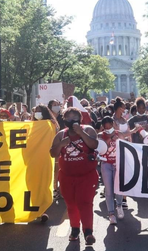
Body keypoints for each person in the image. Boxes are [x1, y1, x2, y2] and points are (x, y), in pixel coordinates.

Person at [49, 107, 99, 245]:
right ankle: (75, 229)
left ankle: (88, 232)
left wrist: (81, 133)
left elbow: (94, 145)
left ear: (80, 119)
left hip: (87, 176)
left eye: (74, 118)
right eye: (68, 118)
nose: (72, 121)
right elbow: (53, 154)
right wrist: (61, 144)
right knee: (71, 204)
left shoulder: (88, 130)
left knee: (85, 203)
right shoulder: (61, 134)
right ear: (64, 120)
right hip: (66, 177)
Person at [33, 104, 59, 223]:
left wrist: (51, 124)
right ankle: (35, 208)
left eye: (39, 111)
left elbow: (55, 137)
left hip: (45, 158)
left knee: (44, 183)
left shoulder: (50, 124)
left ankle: (43, 209)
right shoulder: (31, 125)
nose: (37, 113)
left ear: (44, 112)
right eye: (35, 111)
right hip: (32, 159)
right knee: (33, 184)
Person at [98, 117, 125, 225]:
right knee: (108, 190)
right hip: (106, 164)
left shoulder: (119, 134)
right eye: (106, 127)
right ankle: (111, 213)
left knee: (118, 188)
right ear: (103, 127)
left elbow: (124, 147)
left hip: (117, 164)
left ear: (113, 124)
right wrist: (110, 138)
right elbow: (100, 149)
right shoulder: (100, 136)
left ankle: (119, 205)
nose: (108, 128)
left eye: (110, 126)